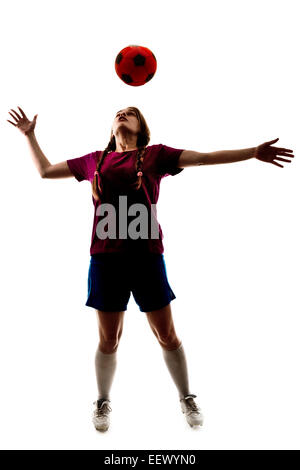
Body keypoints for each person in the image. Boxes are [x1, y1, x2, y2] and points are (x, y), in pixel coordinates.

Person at [7, 106, 294, 432]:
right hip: (106, 260)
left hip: (146, 259)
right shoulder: (94, 161)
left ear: (142, 126)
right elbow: (44, 171)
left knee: (167, 335)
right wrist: (30, 135)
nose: (122, 114)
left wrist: (253, 152)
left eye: (130, 112)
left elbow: (204, 157)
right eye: (118, 112)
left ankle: (186, 397)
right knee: (109, 340)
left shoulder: (155, 155)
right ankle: (103, 401)